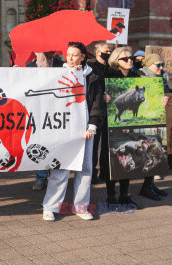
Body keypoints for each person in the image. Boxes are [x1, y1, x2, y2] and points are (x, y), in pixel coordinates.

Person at [42, 42, 105, 221]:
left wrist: (92, 125)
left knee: (85, 169)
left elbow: (97, 103)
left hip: (85, 130)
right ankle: (50, 207)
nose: (70, 58)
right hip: (62, 128)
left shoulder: (92, 76)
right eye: (68, 54)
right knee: (60, 169)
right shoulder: (57, 73)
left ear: (83, 57)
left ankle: (81, 207)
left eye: (74, 55)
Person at [102, 46, 139, 209]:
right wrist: (103, 96)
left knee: (128, 154)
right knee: (112, 157)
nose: (130, 61)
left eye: (131, 58)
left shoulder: (137, 77)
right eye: (125, 59)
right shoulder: (107, 76)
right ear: (116, 61)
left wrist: (162, 100)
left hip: (130, 126)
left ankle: (124, 194)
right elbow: (96, 97)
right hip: (111, 126)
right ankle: (111, 195)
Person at [27, 52, 64, 191]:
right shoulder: (29, 67)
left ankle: (56, 178)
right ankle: (41, 178)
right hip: (37, 113)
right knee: (39, 144)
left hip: (57, 113)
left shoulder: (62, 66)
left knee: (56, 144)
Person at [136, 54, 171, 201]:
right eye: (158, 65)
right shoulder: (140, 77)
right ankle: (146, 187)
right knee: (150, 152)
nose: (161, 68)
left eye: (162, 64)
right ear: (149, 65)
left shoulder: (161, 77)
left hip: (158, 118)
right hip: (145, 120)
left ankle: (149, 184)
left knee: (157, 151)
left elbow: (166, 92)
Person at [87, 42, 112, 184]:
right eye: (106, 51)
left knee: (106, 144)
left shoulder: (110, 68)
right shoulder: (91, 68)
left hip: (110, 110)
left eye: (110, 51)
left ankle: (105, 171)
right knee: (94, 144)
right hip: (96, 110)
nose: (108, 53)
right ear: (97, 52)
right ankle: (92, 173)